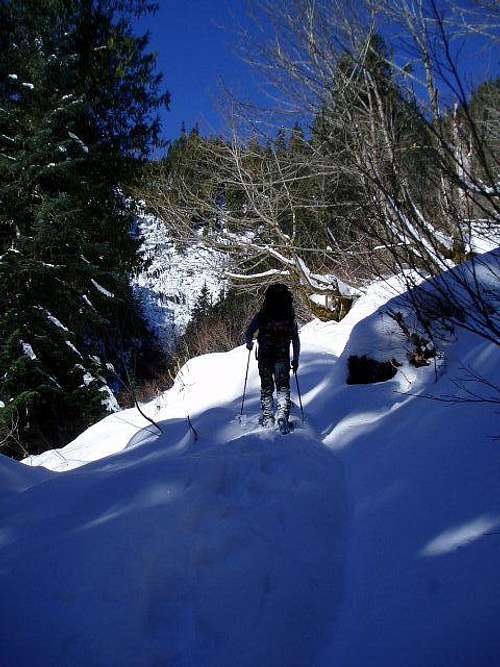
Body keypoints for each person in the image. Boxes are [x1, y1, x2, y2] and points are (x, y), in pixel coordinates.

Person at [245, 283, 300, 433]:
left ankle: (268, 417)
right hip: (282, 355)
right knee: (283, 387)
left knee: (266, 387)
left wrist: (249, 344)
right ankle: (282, 416)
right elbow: (295, 339)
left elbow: (249, 333)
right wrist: (296, 359)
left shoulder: (263, 314)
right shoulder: (289, 316)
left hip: (264, 355)